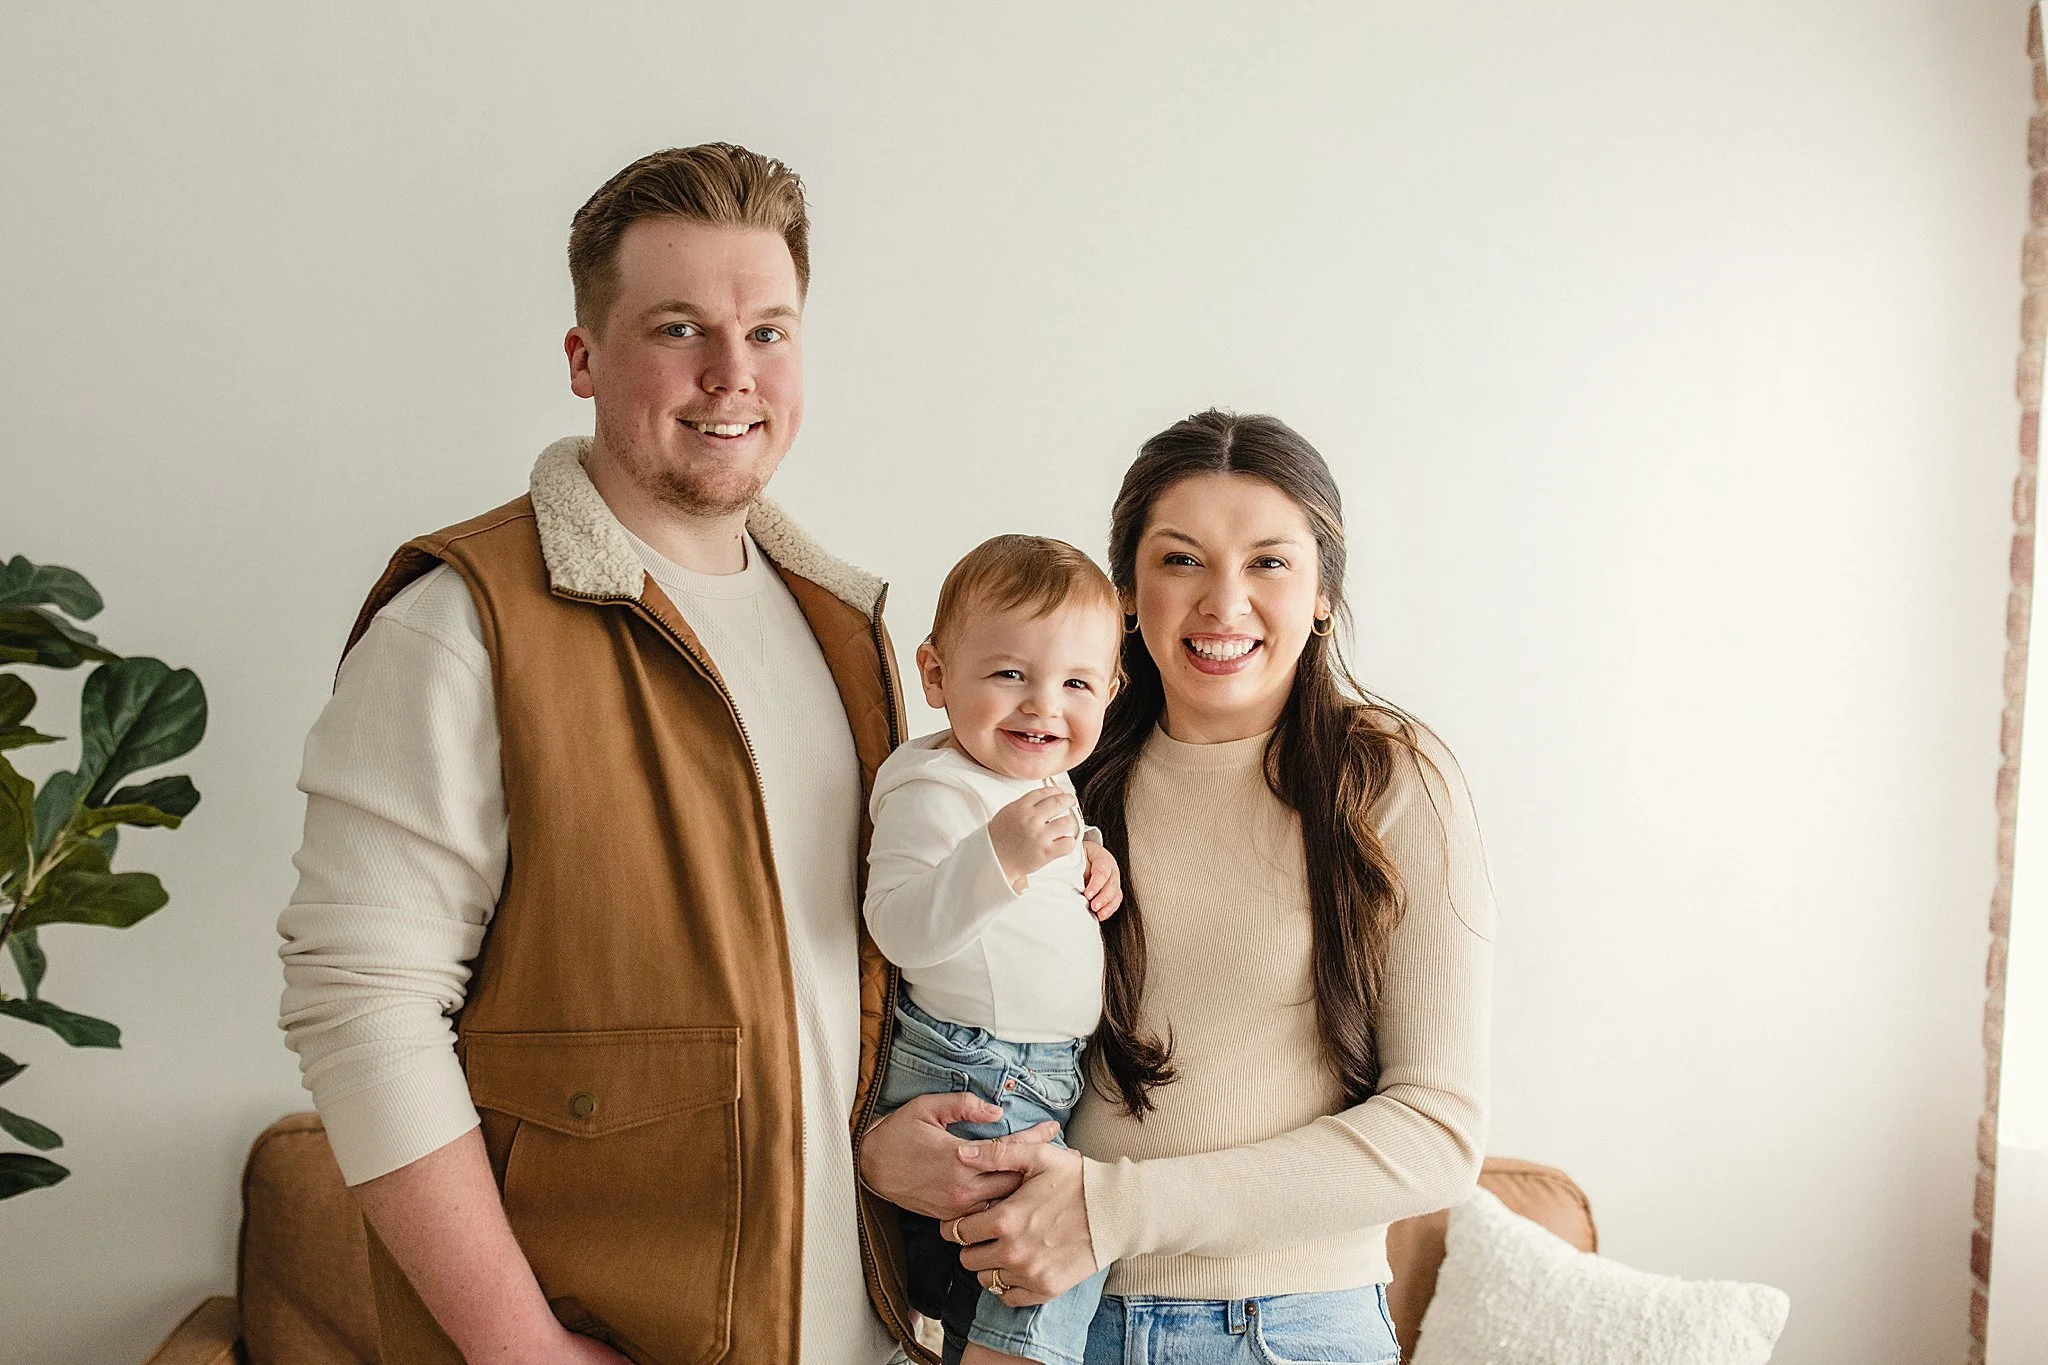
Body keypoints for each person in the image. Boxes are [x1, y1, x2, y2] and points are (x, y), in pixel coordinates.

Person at [278, 144, 933, 1363]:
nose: (732, 376)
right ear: (582, 357)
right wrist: (518, 1349)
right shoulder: (461, 622)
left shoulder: (846, 630)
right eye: (678, 328)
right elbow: (359, 1007)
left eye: (770, 332)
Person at [859, 410, 1496, 1363]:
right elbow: (927, 994)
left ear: (1324, 593)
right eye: (1182, 559)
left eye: (1270, 563)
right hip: (1052, 1311)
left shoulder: (1390, 782)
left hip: (1286, 1325)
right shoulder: (1051, 775)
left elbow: (1438, 1132)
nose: (1224, 603)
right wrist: (878, 1150)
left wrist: (1113, 1208)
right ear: (1126, 595)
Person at [863, 536, 1125, 1365]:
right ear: (937, 675)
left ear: (1110, 692)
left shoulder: (1037, 774)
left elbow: (1044, 832)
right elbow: (899, 926)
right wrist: (1000, 858)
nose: (1043, 707)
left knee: (1028, 1255)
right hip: (974, 1068)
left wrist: (1091, 849)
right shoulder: (928, 784)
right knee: (1045, 1262)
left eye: (1076, 684)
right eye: (1010, 674)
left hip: (1035, 1068)